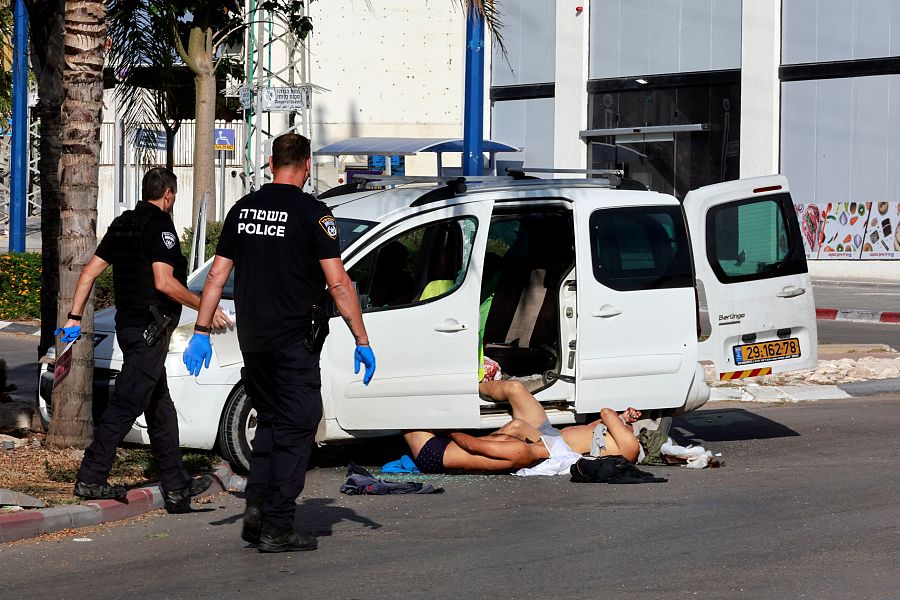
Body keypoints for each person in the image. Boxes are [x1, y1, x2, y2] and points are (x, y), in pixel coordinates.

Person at [182, 133, 376, 554]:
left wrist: (201, 332)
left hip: (253, 342)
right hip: (293, 343)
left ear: (271, 164)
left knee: (270, 421)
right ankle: (278, 525)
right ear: (306, 165)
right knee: (298, 425)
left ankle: (256, 508)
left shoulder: (243, 209)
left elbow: (216, 276)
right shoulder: (313, 214)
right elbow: (338, 282)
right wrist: (361, 338)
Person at [56, 167, 232, 513]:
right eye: (173, 195)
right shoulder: (160, 226)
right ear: (168, 194)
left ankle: (177, 487)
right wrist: (205, 307)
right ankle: (91, 476)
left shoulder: (123, 223)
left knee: (160, 409)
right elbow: (164, 282)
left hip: (129, 327)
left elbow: (89, 273)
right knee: (126, 403)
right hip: (151, 331)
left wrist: (74, 317)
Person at [403, 380, 642, 474]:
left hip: (555, 447)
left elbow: (605, 413)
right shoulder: (522, 453)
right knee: (515, 389)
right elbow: (597, 424)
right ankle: (468, 382)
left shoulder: (629, 446)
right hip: (550, 438)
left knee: (407, 414)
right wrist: (625, 418)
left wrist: (619, 419)